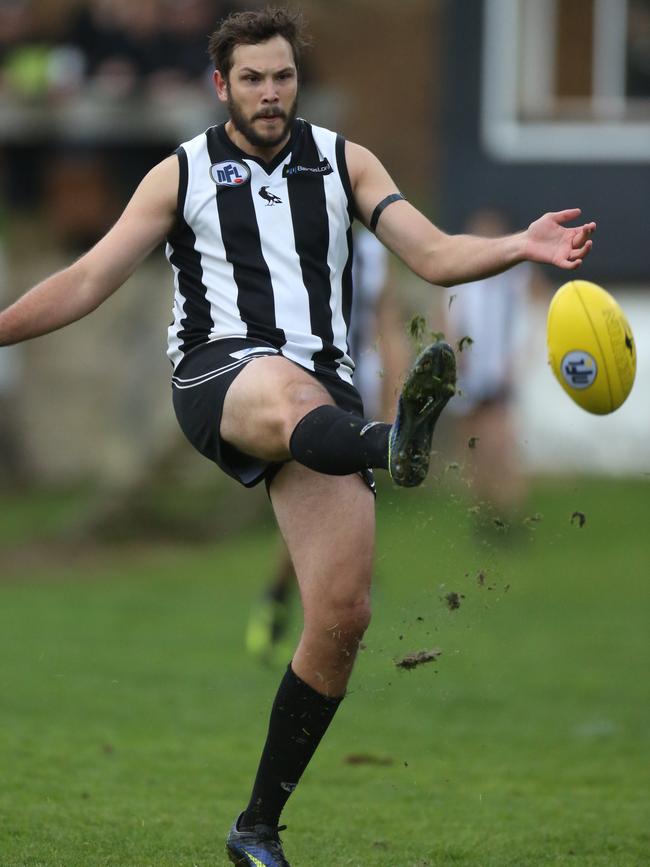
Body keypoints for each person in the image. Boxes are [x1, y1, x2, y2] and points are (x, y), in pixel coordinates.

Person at [0, 8, 596, 865]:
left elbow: (429, 252)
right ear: (222, 86)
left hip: (325, 404)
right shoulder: (182, 173)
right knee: (284, 388)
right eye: (252, 79)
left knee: (343, 614)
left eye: (282, 76)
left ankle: (256, 828)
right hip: (219, 376)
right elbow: (90, 276)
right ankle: (393, 444)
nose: (270, 93)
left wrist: (521, 244)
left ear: (295, 79)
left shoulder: (345, 161)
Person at [246, 224, 411, 664]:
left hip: (355, 396)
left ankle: (300, 607)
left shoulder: (375, 252)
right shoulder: (292, 233)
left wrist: (398, 401)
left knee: (340, 509)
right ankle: (302, 611)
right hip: (301, 398)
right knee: (320, 510)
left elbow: (388, 323)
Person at [444, 208, 537, 528]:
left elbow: (536, 305)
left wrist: (521, 355)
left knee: (500, 442)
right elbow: (449, 320)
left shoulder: (513, 278)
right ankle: (483, 511)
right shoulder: (461, 281)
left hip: (498, 374)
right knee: (472, 446)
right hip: (468, 375)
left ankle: (507, 511)